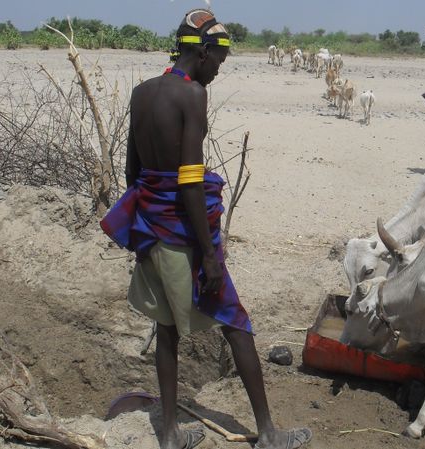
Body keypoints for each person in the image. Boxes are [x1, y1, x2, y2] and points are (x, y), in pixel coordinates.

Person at [100, 8, 311, 449]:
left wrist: (145, 230)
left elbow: (133, 171)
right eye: (219, 61)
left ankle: (173, 435)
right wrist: (209, 254)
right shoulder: (192, 95)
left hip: (152, 228)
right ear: (204, 53)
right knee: (236, 324)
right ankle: (269, 434)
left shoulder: (141, 93)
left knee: (167, 328)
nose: (218, 70)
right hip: (183, 232)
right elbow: (190, 181)